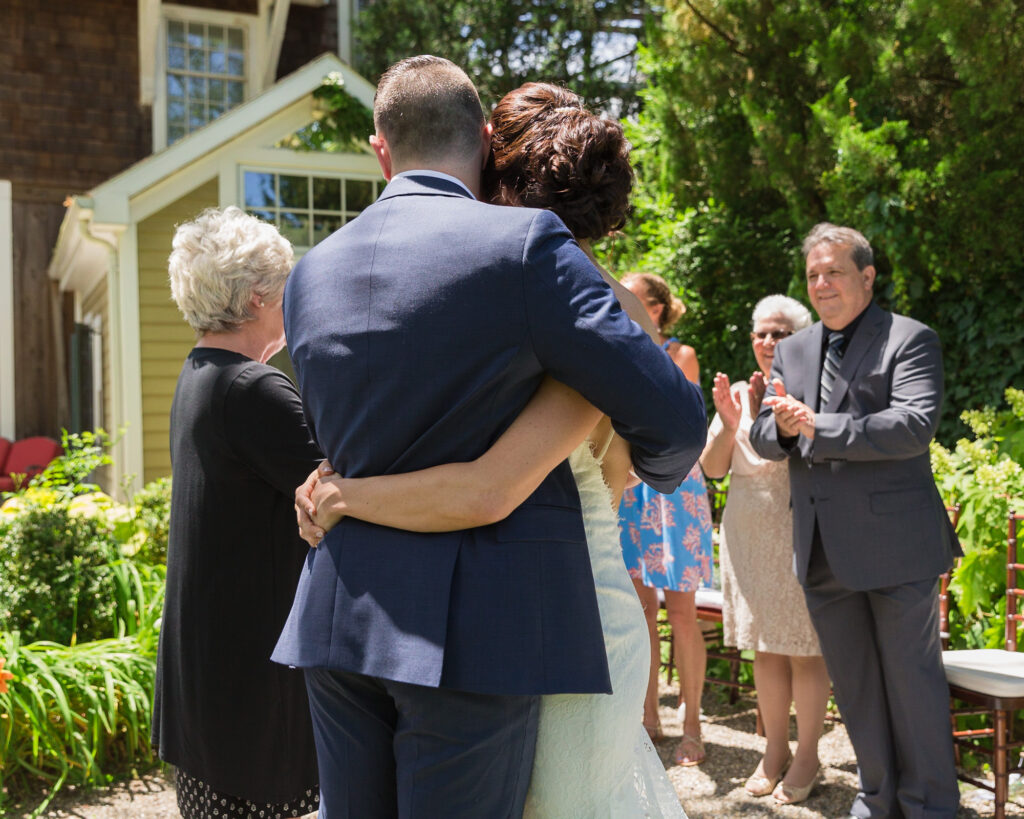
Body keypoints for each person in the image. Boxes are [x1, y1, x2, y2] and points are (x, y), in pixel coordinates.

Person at [276, 58, 706, 819]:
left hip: (339, 617)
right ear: (480, 139)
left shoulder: (308, 275)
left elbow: (356, 434)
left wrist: (331, 489)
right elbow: (674, 420)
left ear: (380, 148)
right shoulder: (524, 247)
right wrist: (657, 466)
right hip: (474, 631)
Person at [749, 223, 961, 818]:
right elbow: (767, 437)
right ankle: (878, 800)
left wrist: (818, 423)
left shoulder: (910, 339)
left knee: (911, 689)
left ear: (867, 277)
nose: (822, 283)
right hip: (821, 550)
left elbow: (914, 425)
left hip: (897, 550)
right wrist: (784, 428)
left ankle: (928, 808)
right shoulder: (791, 349)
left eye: (834, 271)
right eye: (813, 274)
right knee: (859, 691)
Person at [152, 207, 320, 819]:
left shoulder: (198, 373)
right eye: (286, 289)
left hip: (205, 676)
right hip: (249, 689)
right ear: (256, 299)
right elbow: (342, 490)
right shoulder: (254, 388)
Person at [700, 294, 830, 804]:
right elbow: (712, 469)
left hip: (799, 531)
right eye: (761, 333)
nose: (768, 342)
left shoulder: (816, 389)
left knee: (804, 646)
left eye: (779, 333)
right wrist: (730, 426)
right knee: (765, 646)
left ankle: (808, 755)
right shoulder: (736, 391)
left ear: (800, 338)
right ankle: (774, 751)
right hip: (746, 535)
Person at [616, 272, 713, 766]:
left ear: (654, 307)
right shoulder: (614, 342)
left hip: (674, 492)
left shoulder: (682, 355)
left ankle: (692, 725)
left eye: (631, 295)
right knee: (640, 614)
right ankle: (647, 718)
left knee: (682, 613)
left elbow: (678, 420)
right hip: (631, 490)